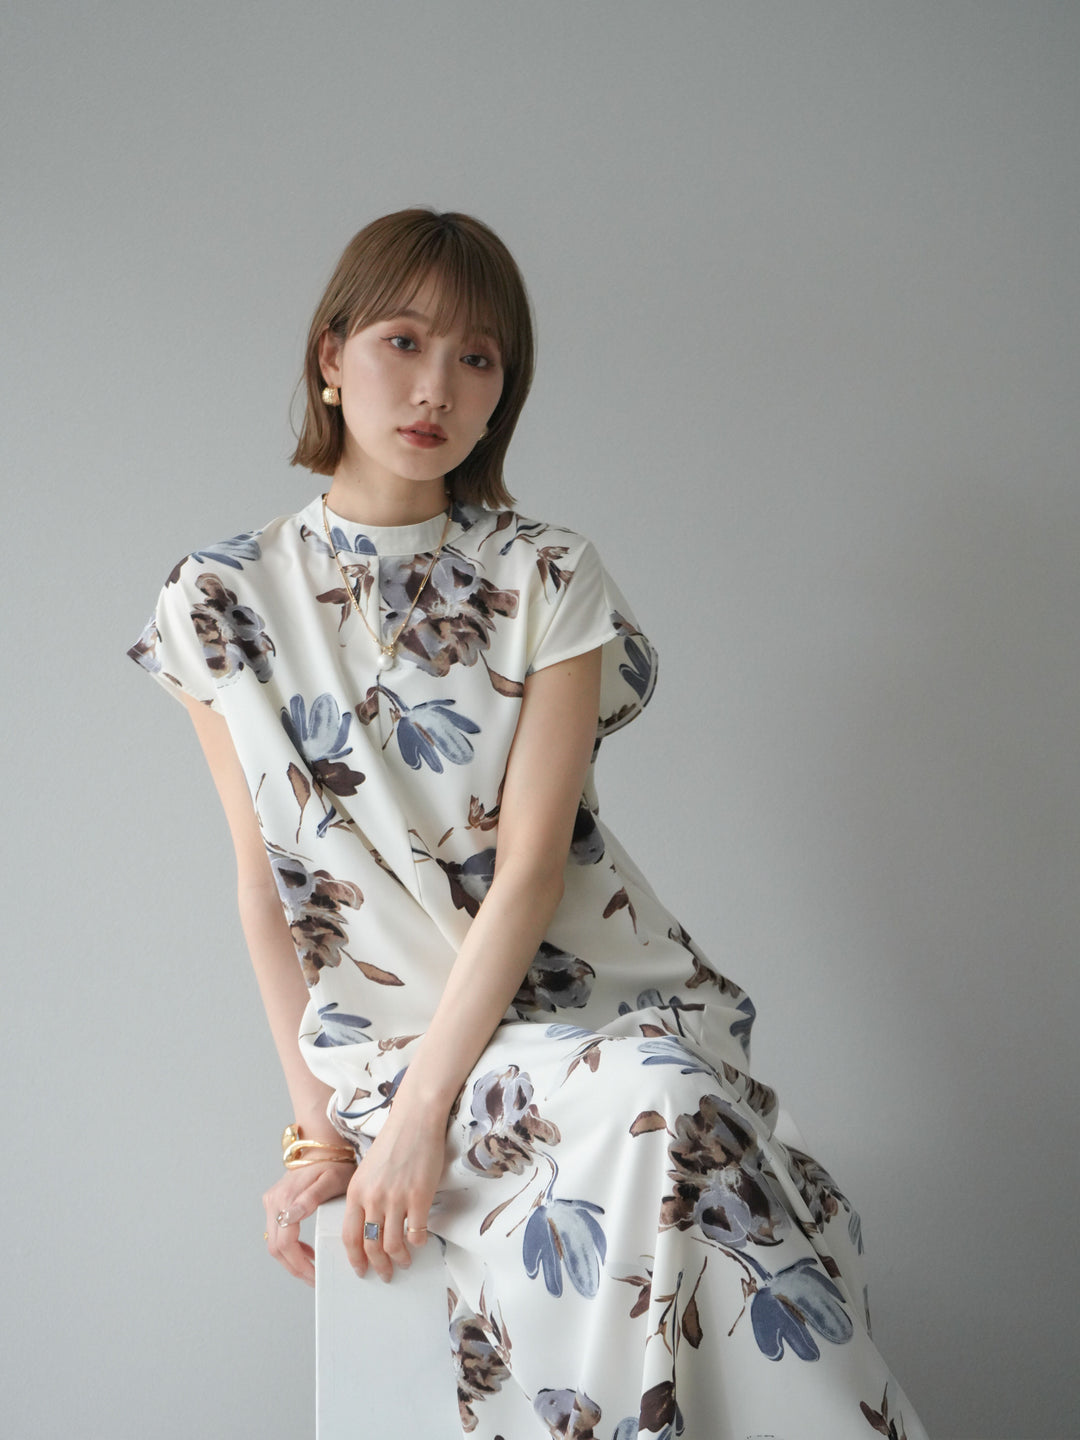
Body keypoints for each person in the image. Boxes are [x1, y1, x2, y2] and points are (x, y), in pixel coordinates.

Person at [128, 208, 928, 1440]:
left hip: (592, 1011)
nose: (436, 388)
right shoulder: (219, 598)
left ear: (505, 391)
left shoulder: (547, 572)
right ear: (331, 356)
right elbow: (267, 887)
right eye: (403, 342)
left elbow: (532, 872)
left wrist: (420, 1123)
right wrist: (325, 1138)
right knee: (670, 1115)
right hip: (398, 1053)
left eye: (479, 358)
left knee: (672, 1099)